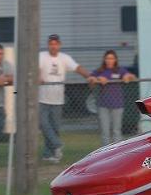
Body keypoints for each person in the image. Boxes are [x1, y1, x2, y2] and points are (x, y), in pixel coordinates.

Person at [39, 34, 89, 163]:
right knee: (43, 124)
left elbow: (77, 68)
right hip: (42, 99)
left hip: (58, 100)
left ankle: (49, 154)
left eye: (55, 44)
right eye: (51, 44)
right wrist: (38, 76)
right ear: (48, 45)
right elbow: (36, 69)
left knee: (55, 128)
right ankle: (57, 144)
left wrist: (89, 77)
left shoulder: (64, 58)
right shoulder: (42, 56)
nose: (53, 46)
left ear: (59, 45)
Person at [88, 50, 136, 146]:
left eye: (112, 58)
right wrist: (97, 79)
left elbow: (131, 76)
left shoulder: (119, 70)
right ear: (104, 60)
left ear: (115, 60)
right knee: (105, 131)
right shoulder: (100, 71)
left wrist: (128, 76)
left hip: (117, 105)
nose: (109, 60)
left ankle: (117, 151)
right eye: (107, 58)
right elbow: (90, 78)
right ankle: (105, 152)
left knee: (116, 131)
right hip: (103, 105)